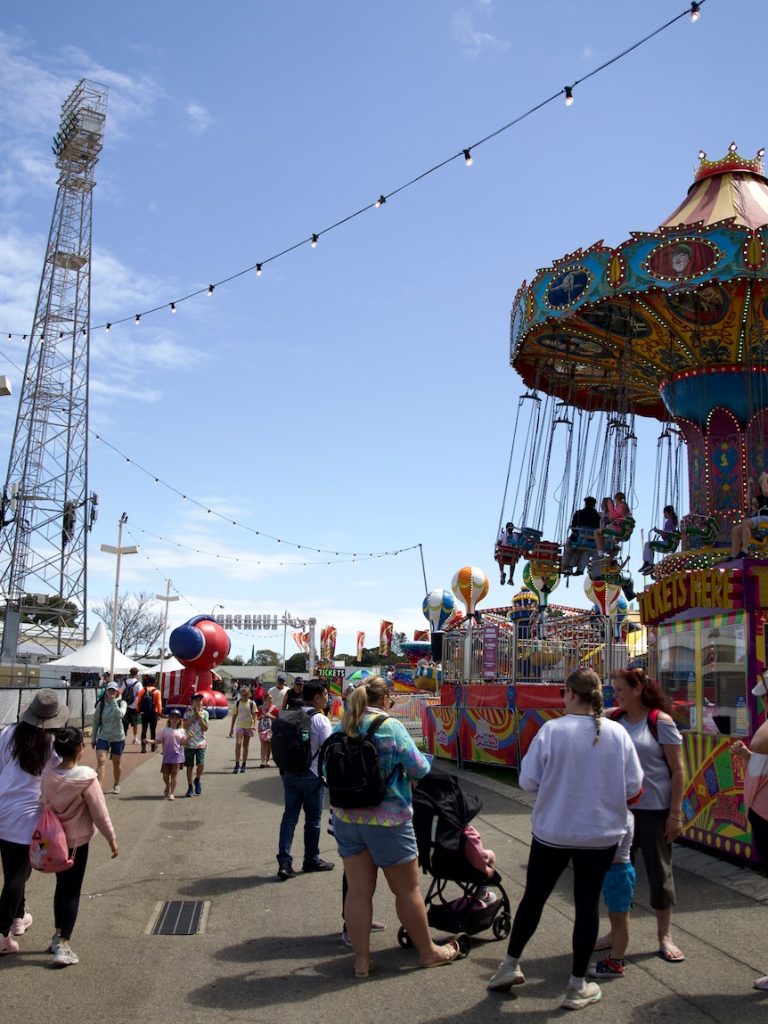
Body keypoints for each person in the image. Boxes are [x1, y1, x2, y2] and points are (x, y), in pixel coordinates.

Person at [487, 668, 642, 1011]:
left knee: (534, 898)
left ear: (571, 692)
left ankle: (509, 965)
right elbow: (634, 786)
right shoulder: (617, 733)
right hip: (599, 834)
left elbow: (528, 781)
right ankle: (576, 986)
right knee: (587, 906)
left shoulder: (552, 730)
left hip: (553, 831)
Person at [330, 676, 465, 976]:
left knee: (358, 892)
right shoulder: (390, 727)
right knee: (406, 890)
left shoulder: (342, 726)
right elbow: (420, 768)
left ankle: (362, 961)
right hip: (388, 819)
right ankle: (428, 952)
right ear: (385, 699)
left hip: (347, 819)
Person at [608, 667, 685, 962]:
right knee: (618, 873)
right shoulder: (614, 719)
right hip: (622, 811)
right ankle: (616, 932)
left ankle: (664, 935)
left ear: (638, 689)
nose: (616, 695)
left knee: (659, 872)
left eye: (620, 690)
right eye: (614, 690)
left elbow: (678, 771)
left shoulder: (659, 722)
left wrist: (675, 813)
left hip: (655, 810)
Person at [40, 726, 119, 966]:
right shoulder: (86, 777)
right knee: (73, 892)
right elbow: (99, 813)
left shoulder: (47, 774)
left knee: (61, 887)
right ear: (79, 749)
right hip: (77, 844)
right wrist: (111, 838)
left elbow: (42, 801)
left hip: (53, 842)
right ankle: (64, 944)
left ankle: (57, 935)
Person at [0, 690, 70, 954]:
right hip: (28, 816)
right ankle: (2, 934)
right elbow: (58, 778)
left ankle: (18, 918)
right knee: (18, 875)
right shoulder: (53, 744)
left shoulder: (8, 733)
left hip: (3, 805)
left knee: (12, 870)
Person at [731, 672, 768, 990]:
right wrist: (747, 756)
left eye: (765, 696)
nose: (763, 701)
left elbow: (762, 747)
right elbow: (762, 758)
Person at [276, 680, 334, 880]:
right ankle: (311, 859)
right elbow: (329, 749)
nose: (327, 698)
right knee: (313, 820)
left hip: (290, 773)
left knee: (289, 817)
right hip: (313, 776)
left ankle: (284, 861)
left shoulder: (291, 715)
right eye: (325, 695)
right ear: (316, 698)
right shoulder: (320, 720)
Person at [588, 811, 635, 978]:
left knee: (620, 918)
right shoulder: (617, 814)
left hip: (619, 873)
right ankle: (615, 957)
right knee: (615, 917)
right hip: (613, 872)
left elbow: (608, 846)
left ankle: (616, 962)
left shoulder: (622, 817)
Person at [92, 681, 126, 794]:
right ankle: (99, 789)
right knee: (101, 761)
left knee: (117, 763)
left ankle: (116, 784)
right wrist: (93, 737)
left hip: (117, 737)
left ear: (117, 692)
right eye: (109, 690)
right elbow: (96, 722)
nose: (111, 692)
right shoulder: (101, 705)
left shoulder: (122, 703)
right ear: (106, 691)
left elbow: (120, 715)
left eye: (113, 691)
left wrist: (114, 702)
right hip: (103, 736)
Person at [730, 473, 768, 558]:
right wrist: (749, 486)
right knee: (735, 529)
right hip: (761, 518)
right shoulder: (762, 497)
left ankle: (745, 550)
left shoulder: (766, 493)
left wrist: (764, 478)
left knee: (745, 522)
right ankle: (734, 555)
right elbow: (748, 501)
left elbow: (765, 491)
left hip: (766, 517)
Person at [561, 497, 601, 575]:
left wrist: (576, 533)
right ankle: (576, 568)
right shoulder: (597, 517)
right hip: (591, 542)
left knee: (568, 546)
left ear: (585, 503)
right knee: (583, 550)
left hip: (579, 541)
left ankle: (566, 566)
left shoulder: (579, 513)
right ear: (594, 505)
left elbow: (573, 527)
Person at [156, 711, 188, 799]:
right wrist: (149, 741)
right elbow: (158, 740)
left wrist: (189, 737)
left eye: (176, 718)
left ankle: (172, 793)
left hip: (177, 756)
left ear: (179, 720)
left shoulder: (181, 731)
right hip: (167, 756)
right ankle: (167, 785)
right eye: (172, 717)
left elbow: (183, 742)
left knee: (174, 775)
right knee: (165, 776)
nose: (174, 719)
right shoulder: (164, 730)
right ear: (169, 719)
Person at [640, 505, 679, 574]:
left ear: (667, 512)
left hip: (667, 543)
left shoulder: (669, 522)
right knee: (650, 546)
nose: (664, 515)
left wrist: (657, 531)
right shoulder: (673, 521)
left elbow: (666, 533)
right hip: (669, 543)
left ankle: (648, 563)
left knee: (648, 544)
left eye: (664, 513)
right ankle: (649, 564)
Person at [183, 693, 209, 797]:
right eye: (196, 700)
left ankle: (197, 779)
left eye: (200, 700)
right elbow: (184, 725)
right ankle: (190, 787)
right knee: (189, 766)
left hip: (201, 743)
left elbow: (205, 728)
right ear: (192, 702)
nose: (198, 702)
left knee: (200, 764)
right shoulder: (187, 712)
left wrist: (199, 716)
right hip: (189, 743)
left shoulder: (205, 713)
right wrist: (194, 716)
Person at [229, 685, 257, 773]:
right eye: (242, 695)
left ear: (249, 694)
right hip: (239, 726)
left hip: (248, 727)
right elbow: (234, 716)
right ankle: (237, 764)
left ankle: (244, 764)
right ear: (240, 694)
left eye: (245, 695)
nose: (244, 696)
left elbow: (255, 716)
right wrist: (231, 728)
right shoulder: (237, 703)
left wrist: (254, 726)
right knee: (238, 743)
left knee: (245, 746)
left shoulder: (252, 703)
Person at [594, 492, 631, 556]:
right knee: (602, 534)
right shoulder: (625, 508)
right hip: (618, 531)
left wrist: (610, 506)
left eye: (615, 501)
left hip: (615, 531)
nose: (615, 503)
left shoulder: (620, 507)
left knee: (596, 532)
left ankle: (600, 553)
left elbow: (613, 516)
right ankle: (602, 552)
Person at [136, 673, 162, 753]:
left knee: (144, 729)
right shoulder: (157, 691)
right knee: (153, 730)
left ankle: (143, 748)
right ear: (154, 682)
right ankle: (153, 747)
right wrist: (159, 713)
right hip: (153, 713)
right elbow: (159, 703)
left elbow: (138, 702)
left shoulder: (142, 690)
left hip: (144, 713)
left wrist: (138, 711)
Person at [121, 667, 141, 745]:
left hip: (125, 705)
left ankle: (123, 737)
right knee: (135, 723)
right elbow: (140, 694)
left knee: (124, 722)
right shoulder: (138, 683)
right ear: (136, 674)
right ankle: (135, 738)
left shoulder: (125, 682)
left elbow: (121, 691)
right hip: (134, 705)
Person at [258, 698, 276, 768]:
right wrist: (261, 716)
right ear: (265, 700)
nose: (271, 700)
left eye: (271, 698)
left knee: (269, 744)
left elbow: (277, 718)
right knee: (263, 744)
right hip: (262, 728)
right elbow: (257, 717)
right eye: (269, 698)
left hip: (271, 728)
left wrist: (270, 716)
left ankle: (267, 761)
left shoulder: (274, 708)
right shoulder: (261, 708)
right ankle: (262, 761)